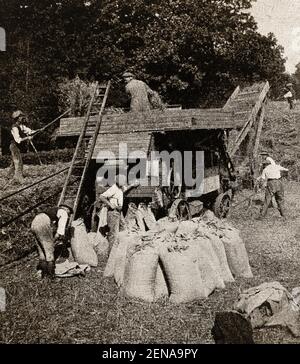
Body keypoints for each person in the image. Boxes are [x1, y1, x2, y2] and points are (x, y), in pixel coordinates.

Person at [31, 200, 73, 279]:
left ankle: (41, 273)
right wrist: (53, 242)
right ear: (68, 209)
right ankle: (51, 277)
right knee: (49, 252)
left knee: (42, 251)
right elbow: (60, 232)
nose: (69, 214)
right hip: (43, 223)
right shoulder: (64, 213)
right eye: (69, 212)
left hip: (34, 221)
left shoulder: (54, 210)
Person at [99, 175, 139, 251]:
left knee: (123, 228)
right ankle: (111, 252)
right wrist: (110, 205)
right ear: (117, 181)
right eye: (122, 181)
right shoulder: (113, 188)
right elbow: (101, 197)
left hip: (118, 213)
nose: (124, 182)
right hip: (113, 213)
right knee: (113, 233)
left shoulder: (120, 188)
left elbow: (126, 188)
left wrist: (132, 185)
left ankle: (119, 250)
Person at [8, 110, 36, 183]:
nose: (23, 118)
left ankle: (9, 176)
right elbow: (18, 140)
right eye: (21, 117)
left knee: (14, 162)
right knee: (18, 162)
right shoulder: (14, 127)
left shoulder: (22, 126)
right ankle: (19, 179)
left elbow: (30, 131)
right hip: (14, 146)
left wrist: (39, 130)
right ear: (17, 118)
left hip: (17, 147)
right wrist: (27, 138)